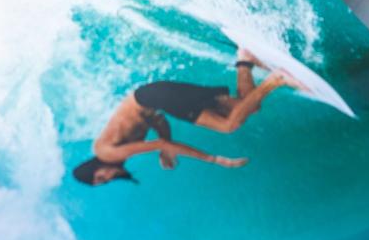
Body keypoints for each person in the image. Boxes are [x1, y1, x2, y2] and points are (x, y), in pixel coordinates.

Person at [72, 55, 291, 187]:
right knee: (246, 107)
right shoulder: (112, 146)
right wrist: (165, 145)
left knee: (229, 125)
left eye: (100, 178)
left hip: (156, 96)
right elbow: (157, 121)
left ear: (94, 168)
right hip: (154, 96)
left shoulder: (106, 153)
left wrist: (213, 159)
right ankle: (245, 60)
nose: (107, 179)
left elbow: (161, 143)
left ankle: (277, 79)